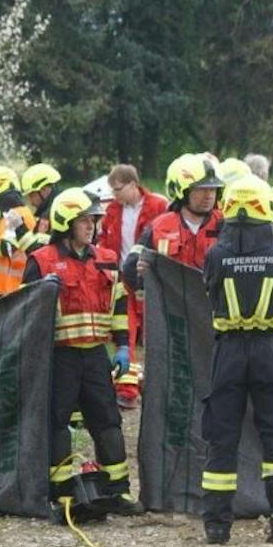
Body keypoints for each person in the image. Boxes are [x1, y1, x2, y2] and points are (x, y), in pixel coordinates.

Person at [22, 189, 142, 518]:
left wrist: (121, 346)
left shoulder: (105, 258)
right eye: (84, 220)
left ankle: (118, 492)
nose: (90, 226)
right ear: (66, 223)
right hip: (59, 358)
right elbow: (27, 313)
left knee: (108, 422)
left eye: (93, 220)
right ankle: (60, 494)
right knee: (57, 424)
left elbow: (120, 304)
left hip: (95, 357)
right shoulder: (42, 261)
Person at [199, 175, 273, 544]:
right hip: (270, 350)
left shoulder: (215, 255)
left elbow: (209, 291)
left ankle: (216, 526)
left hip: (228, 350)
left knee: (221, 435)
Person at [101, 163, 169, 408]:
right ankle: (127, 391)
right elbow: (106, 244)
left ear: (132, 185)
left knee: (155, 333)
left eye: (118, 189)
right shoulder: (111, 211)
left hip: (152, 281)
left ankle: (155, 385)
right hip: (123, 280)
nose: (115, 195)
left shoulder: (159, 207)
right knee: (125, 333)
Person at [0, 166, 31, 297]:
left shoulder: (16, 215)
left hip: (12, 290)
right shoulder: (12, 214)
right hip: (5, 288)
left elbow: (8, 247)